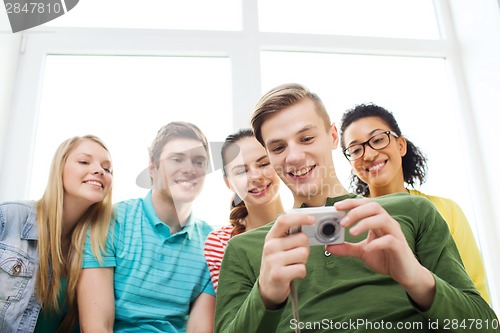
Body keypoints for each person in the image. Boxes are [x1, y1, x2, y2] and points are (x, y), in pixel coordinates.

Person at [214, 83, 498, 332]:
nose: (295, 156)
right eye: (278, 148)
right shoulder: (245, 249)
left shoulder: (412, 211)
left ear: (334, 136)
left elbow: (483, 326)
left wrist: (416, 278)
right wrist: (265, 296)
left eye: (307, 138)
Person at [339, 102, 490, 303]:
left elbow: (475, 287)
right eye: (356, 150)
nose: (369, 154)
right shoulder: (350, 220)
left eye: (377, 140)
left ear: (401, 145)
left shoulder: (446, 210)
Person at [77, 122, 215, 333]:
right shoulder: (111, 221)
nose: (189, 169)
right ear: (153, 167)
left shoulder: (211, 243)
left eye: (199, 161)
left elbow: (200, 329)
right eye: (176, 159)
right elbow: (97, 326)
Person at [0, 135, 113, 333]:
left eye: (107, 168)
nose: (99, 171)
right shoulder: (10, 217)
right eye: (84, 161)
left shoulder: (97, 248)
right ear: (59, 168)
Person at [204, 129, 284, 292]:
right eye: (241, 171)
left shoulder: (307, 222)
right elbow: (236, 311)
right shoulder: (221, 242)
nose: (256, 176)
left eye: (263, 164)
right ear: (229, 184)